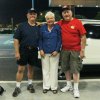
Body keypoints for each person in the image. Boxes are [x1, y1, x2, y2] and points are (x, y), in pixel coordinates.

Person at [58, 6, 86, 98]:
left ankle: (76, 89)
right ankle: (69, 85)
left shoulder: (77, 22)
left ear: (71, 12)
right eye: (64, 12)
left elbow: (83, 37)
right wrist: (39, 24)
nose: (66, 14)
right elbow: (50, 24)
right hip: (64, 50)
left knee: (75, 70)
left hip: (75, 50)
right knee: (65, 68)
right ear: (62, 14)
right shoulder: (60, 23)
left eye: (68, 12)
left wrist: (82, 50)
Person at [12, 8, 40, 97]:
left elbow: (49, 24)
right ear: (27, 15)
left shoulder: (38, 26)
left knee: (31, 69)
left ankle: (30, 85)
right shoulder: (22, 26)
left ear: (36, 16)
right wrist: (17, 52)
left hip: (34, 50)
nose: (32, 15)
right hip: (23, 50)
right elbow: (16, 39)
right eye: (30, 14)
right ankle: (17, 87)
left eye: (34, 14)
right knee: (20, 69)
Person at [39, 11, 61, 94]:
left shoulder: (57, 27)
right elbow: (40, 39)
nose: (50, 20)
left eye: (51, 18)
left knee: (54, 70)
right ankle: (46, 86)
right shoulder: (42, 28)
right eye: (48, 18)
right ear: (46, 19)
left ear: (54, 19)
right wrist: (40, 49)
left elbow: (59, 40)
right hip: (44, 52)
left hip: (54, 52)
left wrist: (57, 50)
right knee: (45, 70)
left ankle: (54, 87)